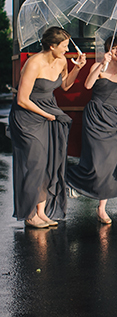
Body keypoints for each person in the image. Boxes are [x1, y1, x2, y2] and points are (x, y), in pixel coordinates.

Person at [10, 26, 86, 228]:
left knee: (48, 163)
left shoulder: (62, 61)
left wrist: (77, 67)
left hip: (49, 112)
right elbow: (22, 99)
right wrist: (47, 115)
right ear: (52, 46)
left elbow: (65, 85)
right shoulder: (33, 63)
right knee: (34, 164)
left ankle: (41, 212)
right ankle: (29, 214)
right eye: (64, 45)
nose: (67, 49)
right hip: (28, 116)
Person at [67, 36, 117, 224]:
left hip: (114, 119)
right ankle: (73, 181)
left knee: (109, 164)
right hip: (95, 117)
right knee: (96, 162)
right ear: (108, 50)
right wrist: (102, 65)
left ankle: (102, 208)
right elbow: (88, 85)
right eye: (114, 48)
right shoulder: (98, 67)